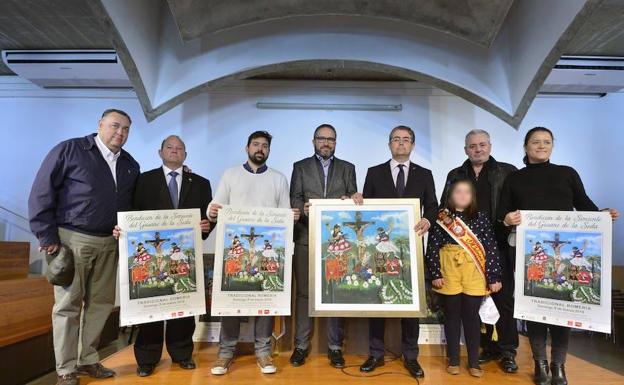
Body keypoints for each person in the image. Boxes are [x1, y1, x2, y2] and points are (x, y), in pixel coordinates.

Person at [498, 126, 619, 385]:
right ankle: (540, 364)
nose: (541, 146)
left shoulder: (567, 173)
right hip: (531, 254)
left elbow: (585, 206)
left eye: (546, 142)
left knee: (564, 306)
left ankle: (559, 365)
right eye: (535, 142)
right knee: (535, 307)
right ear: (526, 147)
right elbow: (502, 214)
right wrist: (507, 218)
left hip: (562, 257)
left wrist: (602, 215)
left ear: (552, 146)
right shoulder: (514, 179)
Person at [28, 109, 139, 385]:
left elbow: (131, 205)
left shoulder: (129, 164)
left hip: (109, 242)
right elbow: (42, 191)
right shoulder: (70, 150)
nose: (120, 133)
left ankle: (88, 359)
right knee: (67, 306)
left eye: (126, 129)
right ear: (100, 125)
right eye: (115, 126)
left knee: (101, 305)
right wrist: (46, 236)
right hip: (71, 239)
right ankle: (65, 369)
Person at [113, 135, 213, 377]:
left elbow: (208, 218)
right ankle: (147, 358)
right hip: (152, 255)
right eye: (170, 147)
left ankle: (182, 354)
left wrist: (207, 226)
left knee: (184, 306)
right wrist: (122, 229)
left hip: (183, 257)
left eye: (179, 148)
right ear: (160, 152)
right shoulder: (144, 180)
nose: (174, 151)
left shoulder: (201, 182)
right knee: (151, 303)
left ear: (185, 155)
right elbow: (131, 213)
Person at [208, 130, 300, 375]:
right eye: (256, 144)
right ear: (247, 147)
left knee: (265, 300)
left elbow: (285, 216)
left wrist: (292, 216)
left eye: (264, 146)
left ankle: (263, 351)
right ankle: (225, 353)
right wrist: (212, 212)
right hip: (236, 251)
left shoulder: (278, 179)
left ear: (269, 151)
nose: (260, 149)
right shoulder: (230, 175)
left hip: (266, 251)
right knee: (230, 301)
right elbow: (213, 208)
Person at [360, 125, 438, 379]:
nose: (401, 144)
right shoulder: (374, 173)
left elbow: (433, 206)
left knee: (411, 305)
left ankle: (411, 357)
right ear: (389, 144)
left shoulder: (424, 174)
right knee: (377, 300)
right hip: (381, 251)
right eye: (396, 139)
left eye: (406, 140)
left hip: (411, 249)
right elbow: (367, 211)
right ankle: (375, 354)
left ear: (413, 145)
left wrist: (428, 220)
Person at [439, 129, 519, 372]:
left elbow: (516, 205)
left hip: (499, 244)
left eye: (482, 144)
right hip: (464, 248)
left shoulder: (507, 171)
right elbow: (445, 209)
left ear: (490, 146)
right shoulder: (456, 174)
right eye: (472, 146)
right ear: (466, 149)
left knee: (502, 299)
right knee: (474, 302)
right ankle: (486, 347)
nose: (478, 149)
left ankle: (507, 350)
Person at [289, 123, 362, 367]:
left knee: (335, 292)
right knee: (303, 294)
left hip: (336, 244)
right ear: (313, 141)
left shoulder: (348, 168)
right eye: (321, 138)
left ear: (335, 142)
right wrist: (303, 209)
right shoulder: (300, 167)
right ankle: (300, 345)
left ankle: (334, 347)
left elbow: (353, 198)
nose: (326, 143)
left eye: (330, 139)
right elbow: (294, 199)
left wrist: (351, 200)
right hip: (305, 239)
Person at [426, 179, 502, 378]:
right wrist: (435, 274)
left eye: (467, 192)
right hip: (449, 270)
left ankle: (474, 362)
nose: (462, 195)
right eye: (458, 192)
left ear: (473, 196)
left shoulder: (481, 217)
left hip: (474, 271)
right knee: (451, 316)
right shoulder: (442, 218)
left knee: (471, 317)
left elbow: (491, 248)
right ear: (450, 195)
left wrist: (493, 276)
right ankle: (453, 359)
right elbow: (432, 248)